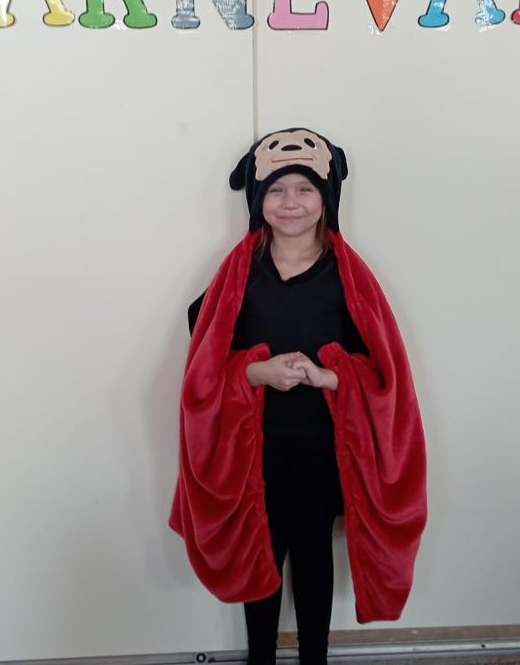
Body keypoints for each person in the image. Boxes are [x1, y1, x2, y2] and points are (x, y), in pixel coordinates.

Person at [170, 128, 427, 665]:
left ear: (326, 197)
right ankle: (260, 658)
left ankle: (315, 658)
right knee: (260, 553)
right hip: (254, 450)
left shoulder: (348, 278)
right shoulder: (238, 275)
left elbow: (383, 371)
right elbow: (205, 362)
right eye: (277, 189)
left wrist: (331, 377)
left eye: (305, 189)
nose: (291, 202)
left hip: (322, 447)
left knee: (313, 553)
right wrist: (256, 372)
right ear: (257, 199)